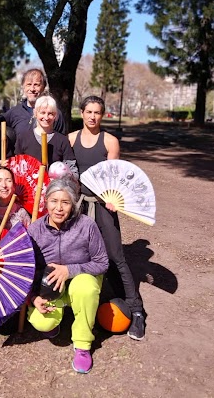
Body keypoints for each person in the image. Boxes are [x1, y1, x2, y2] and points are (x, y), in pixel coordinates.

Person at [68, 95, 146, 340]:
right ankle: (79, 307)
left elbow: (116, 177)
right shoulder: (71, 139)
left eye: (97, 112)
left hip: (104, 205)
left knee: (116, 257)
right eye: (88, 111)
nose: (92, 116)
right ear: (82, 113)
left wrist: (114, 199)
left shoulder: (110, 141)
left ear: (102, 115)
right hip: (78, 206)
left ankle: (137, 312)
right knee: (77, 254)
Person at [27, 177, 108, 374]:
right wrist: (33, 298)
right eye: (54, 201)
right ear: (46, 202)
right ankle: (57, 319)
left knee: (84, 289)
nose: (59, 208)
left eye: (65, 202)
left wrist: (70, 270)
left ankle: (82, 345)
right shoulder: (35, 230)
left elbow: (102, 262)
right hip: (50, 287)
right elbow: (27, 270)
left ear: (73, 204)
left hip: (81, 279)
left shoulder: (86, 225)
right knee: (42, 322)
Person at [14, 95, 78, 177]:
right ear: (35, 113)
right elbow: (16, 165)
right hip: (29, 187)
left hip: (54, 187)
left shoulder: (62, 140)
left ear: (55, 116)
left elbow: (72, 170)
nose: (46, 117)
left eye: (50, 114)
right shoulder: (23, 137)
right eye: (42, 113)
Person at [4, 68, 66, 135]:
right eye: (29, 84)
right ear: (23, 87)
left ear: (44, 87)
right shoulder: (14, 112)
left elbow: (61, 140)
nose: (32, 89)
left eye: (36, 85)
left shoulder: (54, 113)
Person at [0, 166, 31, 235]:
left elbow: (27, 240)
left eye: (8, 180)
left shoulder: (21, 213)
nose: (4, 185)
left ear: (14, 186)